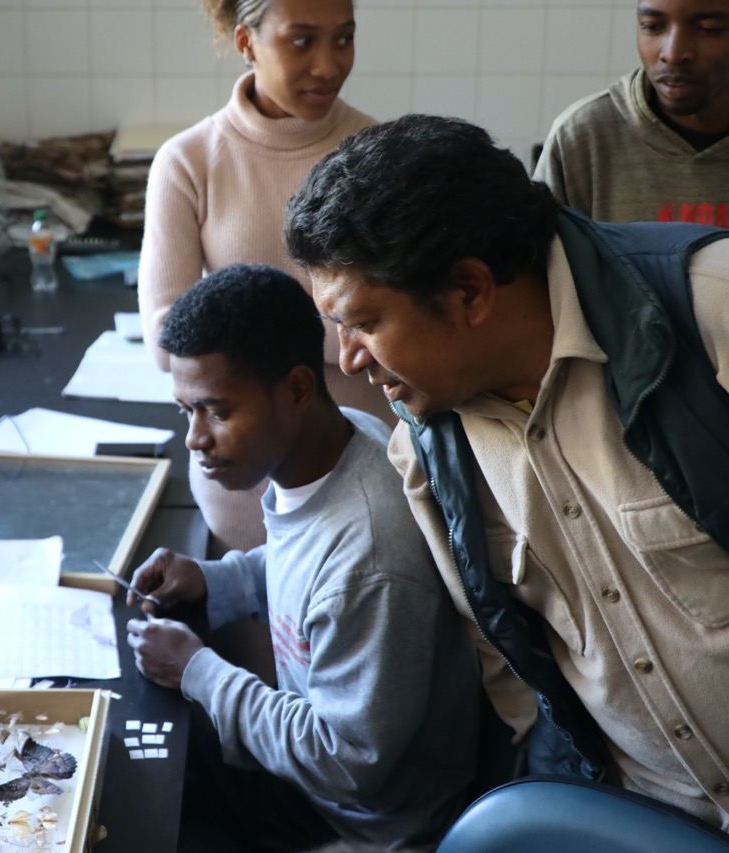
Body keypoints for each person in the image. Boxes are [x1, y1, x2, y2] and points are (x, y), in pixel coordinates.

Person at [283, 113, 729, 851]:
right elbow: (513, 665)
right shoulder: (431, 451)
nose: (348, 358)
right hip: (643, 825)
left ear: (470, 291)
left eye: (361, 322)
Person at [125, 264, 479, 851]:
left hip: (355, 827)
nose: (194, 438)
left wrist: (197, 671)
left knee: (144, 816)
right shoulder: (345, 442)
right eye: (184, 411)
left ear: (295, 390)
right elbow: (306, 564)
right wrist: (219, 582)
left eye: (216, 411)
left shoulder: (369, 560)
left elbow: (346, 762)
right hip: (314, 789)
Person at [138, 0, 387, 556]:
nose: (328, 64)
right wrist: (344, 331)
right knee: (248, 622)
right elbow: (165, 336)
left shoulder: (380, 156)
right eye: (302, 41)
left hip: (368, 480)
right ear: (247, 42)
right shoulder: (189, 161)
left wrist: (264, 337)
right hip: (242, 492)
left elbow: (403, 325)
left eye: (343, 39)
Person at [532, 0, 729, 279]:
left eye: (709, 28)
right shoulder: (582, 139)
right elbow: (542, 293)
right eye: (652, 25)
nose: (673, 53)